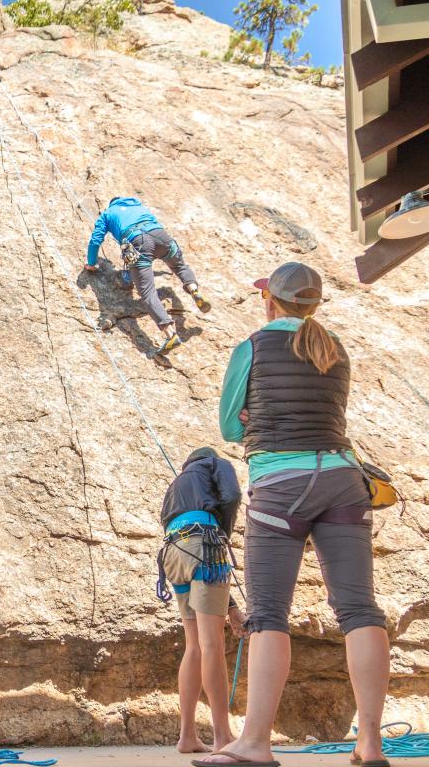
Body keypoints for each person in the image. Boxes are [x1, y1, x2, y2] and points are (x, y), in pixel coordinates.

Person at [197, 262, 389, 767]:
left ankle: (256, 743)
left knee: (267, 616)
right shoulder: (335, 349)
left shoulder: (254, 347)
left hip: (281, 485)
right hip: (344, 481)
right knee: (359, 610)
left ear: (271, 301)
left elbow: (230, 428)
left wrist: (251, 420)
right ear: (313, 304)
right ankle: (370, 743)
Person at [157, 447, 246, 755]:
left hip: (173, 554)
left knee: (194, 645)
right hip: (205, 546)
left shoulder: (175, 486)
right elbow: (233, 495)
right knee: (212, 646)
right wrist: (223, 533)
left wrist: (231, 608)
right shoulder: (215, 463)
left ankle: (187, 736)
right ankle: (223, 737)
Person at [83, 197, 211, 355]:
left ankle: (170, 334)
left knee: (147, 292)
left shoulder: (107, 214)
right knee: (179, 266)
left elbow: (96, 240)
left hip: (138, 241)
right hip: (161, 236)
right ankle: (193, 289)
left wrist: (91, 262)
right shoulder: (138, 205)